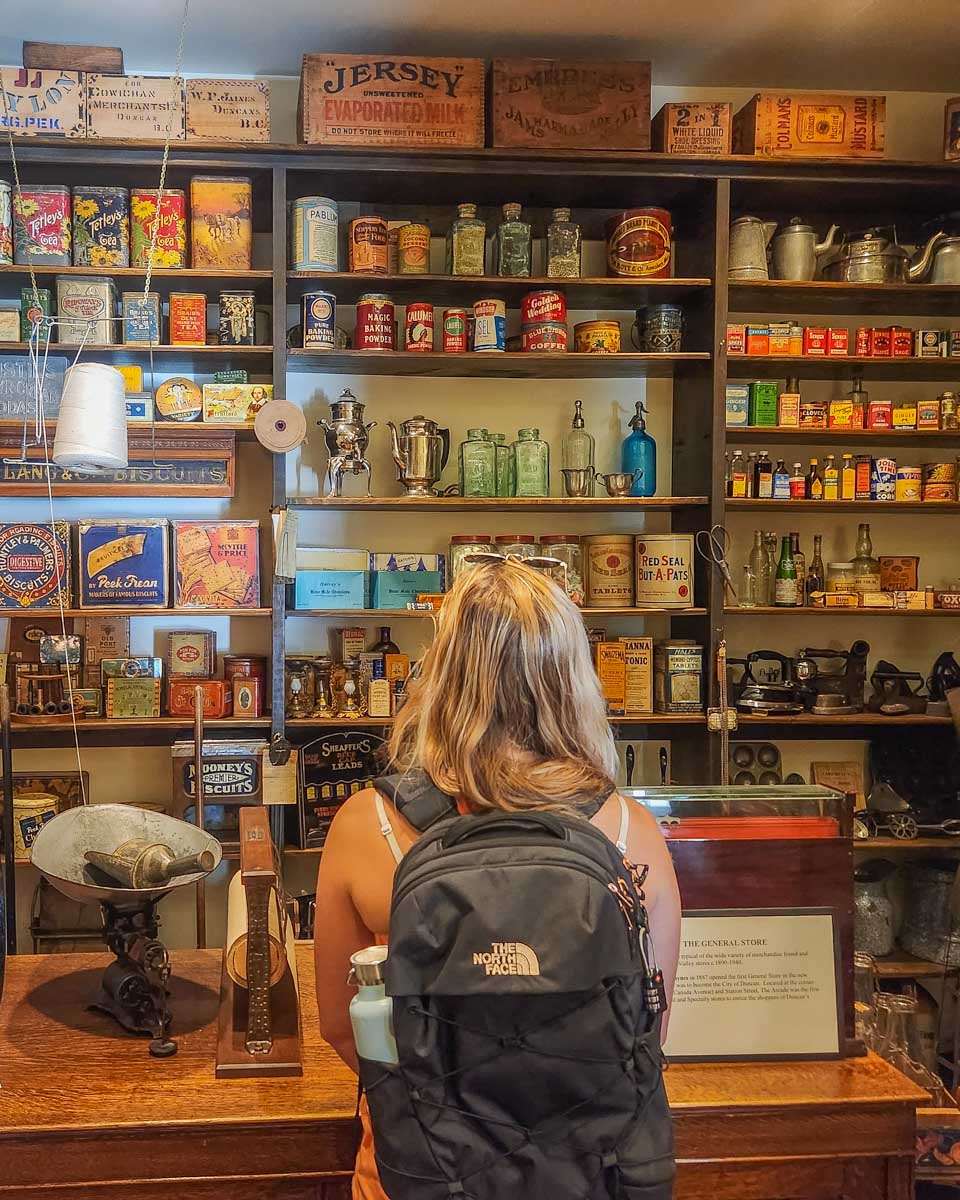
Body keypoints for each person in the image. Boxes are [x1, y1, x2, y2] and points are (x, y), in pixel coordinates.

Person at [314, 556, 682, 1200]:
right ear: (572, 676)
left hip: (419, 1175)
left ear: (444, 674)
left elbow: (344, 1029)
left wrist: (446, 1112)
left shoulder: (364, 825)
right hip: (587, 1177)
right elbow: (649, 1029)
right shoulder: (629, 833)